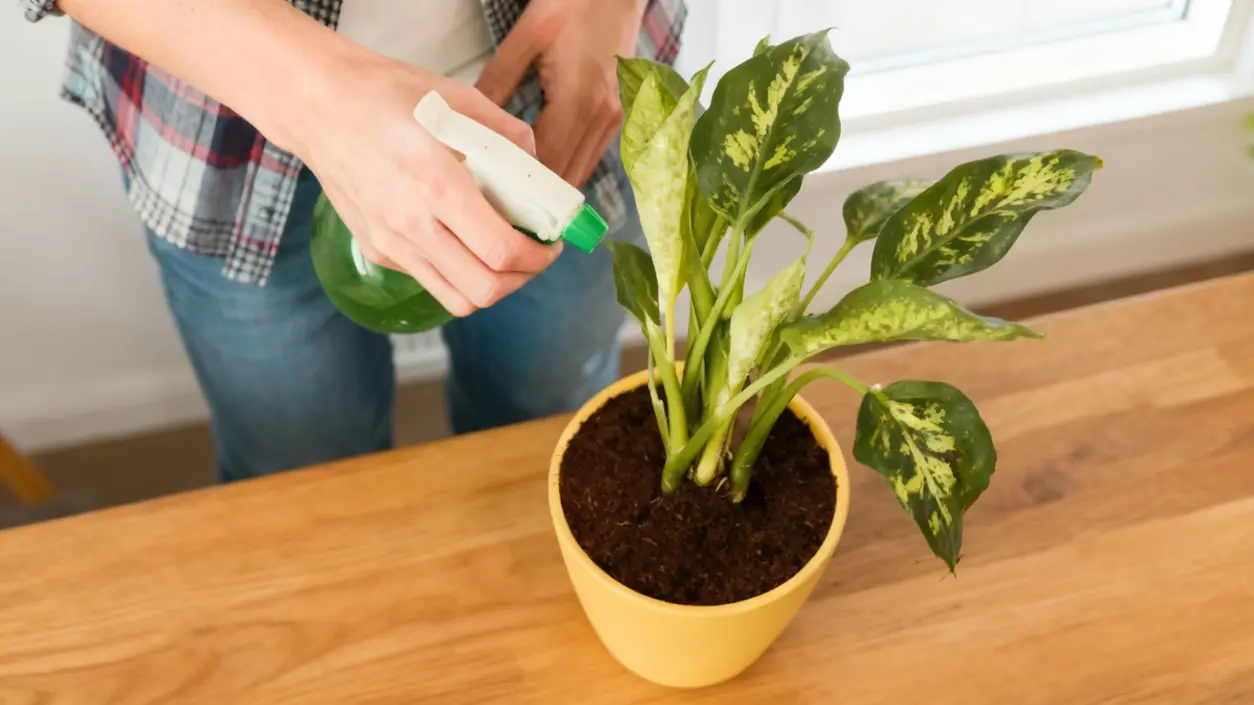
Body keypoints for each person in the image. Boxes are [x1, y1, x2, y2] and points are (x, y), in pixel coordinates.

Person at [22, 0, 686, 482]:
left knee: (549, 437)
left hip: (571, 77)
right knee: (300, 477)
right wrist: (314, 96)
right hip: (231, 124)